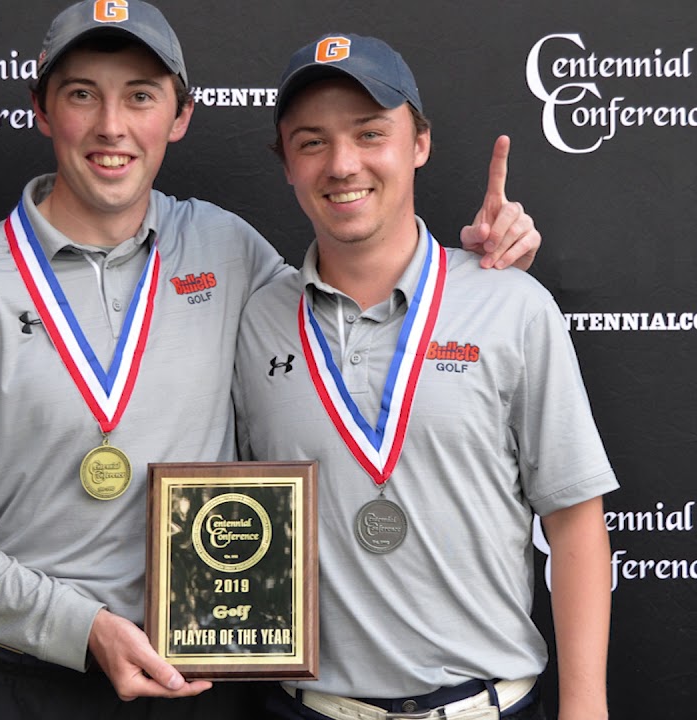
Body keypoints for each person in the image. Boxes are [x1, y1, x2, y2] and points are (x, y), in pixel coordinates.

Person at [0, 2, 541, 718]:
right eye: (81, 93)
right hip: (25, 681)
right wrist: (79, 629)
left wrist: (470, 273)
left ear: (180, 116)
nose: (111, 126)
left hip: (204, 684)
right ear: (40, 109)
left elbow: (348, 313)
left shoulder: (227, 250)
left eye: (141, 96)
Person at [233, 34, 618, 720]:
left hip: (486, 707)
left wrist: (585, 708)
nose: (342, 164)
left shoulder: (511, 303)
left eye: (370, 133)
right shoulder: (253, 318)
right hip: (310, 708)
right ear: (285, 162)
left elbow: (575, 519)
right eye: (311, 141)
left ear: (420, 144)